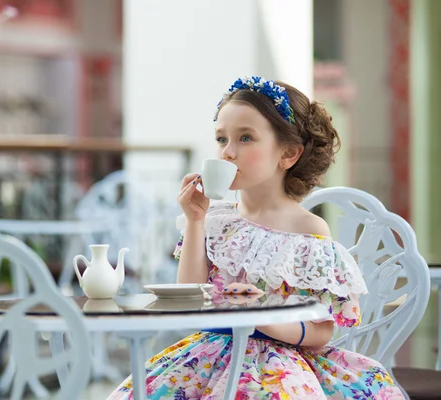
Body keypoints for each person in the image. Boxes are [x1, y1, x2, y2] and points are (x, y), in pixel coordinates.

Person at [107, 76, 405, 399]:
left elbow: (323, 327)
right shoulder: (216, 221)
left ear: (288, 154)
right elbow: (189, 301)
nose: (228, 152)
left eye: (245, 138)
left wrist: (264, 320)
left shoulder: (308, 230)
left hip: (282, 362)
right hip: (209, 356)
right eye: (221, 139)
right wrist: (196, 222)